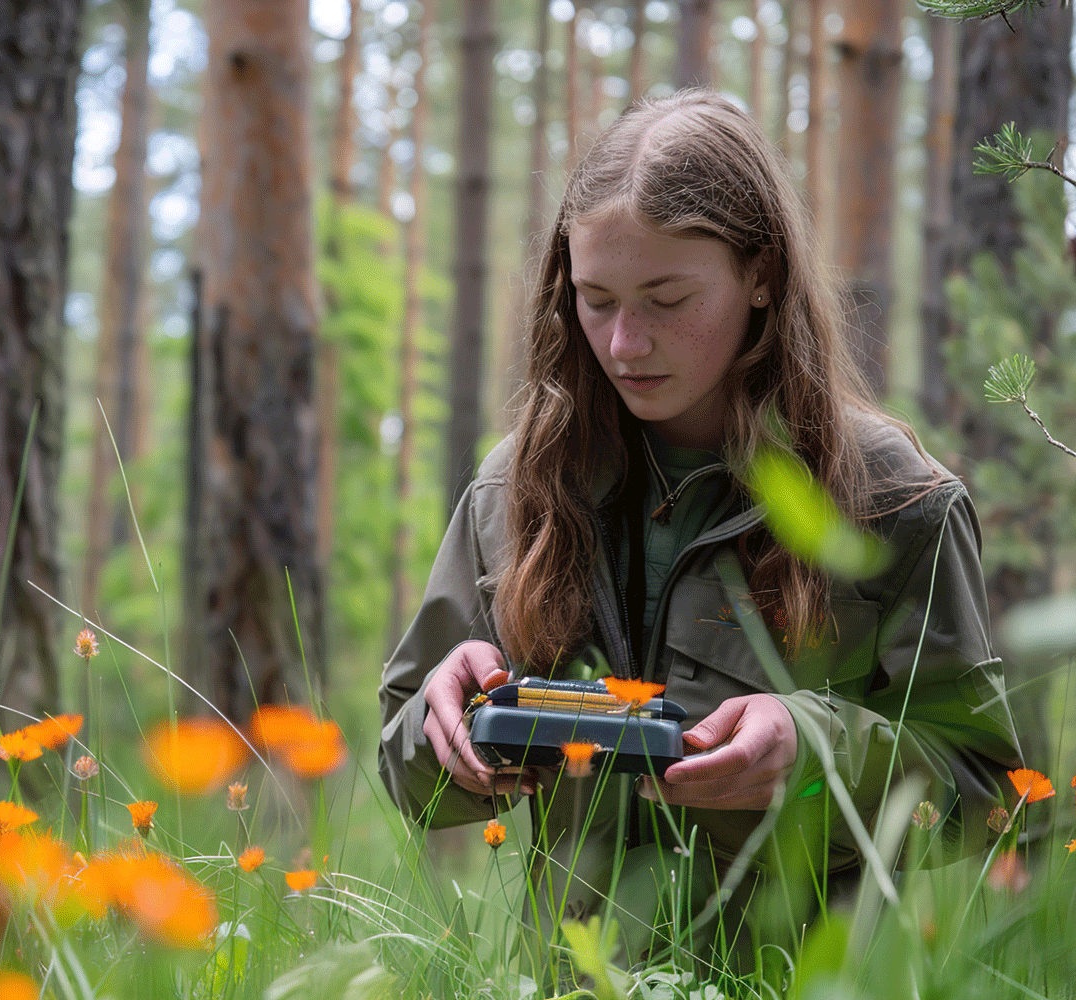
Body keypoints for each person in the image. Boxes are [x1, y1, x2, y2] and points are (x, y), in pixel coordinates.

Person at [377, 90, 1021, 967]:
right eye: (594, 301)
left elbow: (990, 791)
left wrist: (813, 750)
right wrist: (443, 726)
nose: (625, 342)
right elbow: (405, 777)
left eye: (667, 298)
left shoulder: (896, 500)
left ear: (761, 273)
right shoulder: (518, 487)